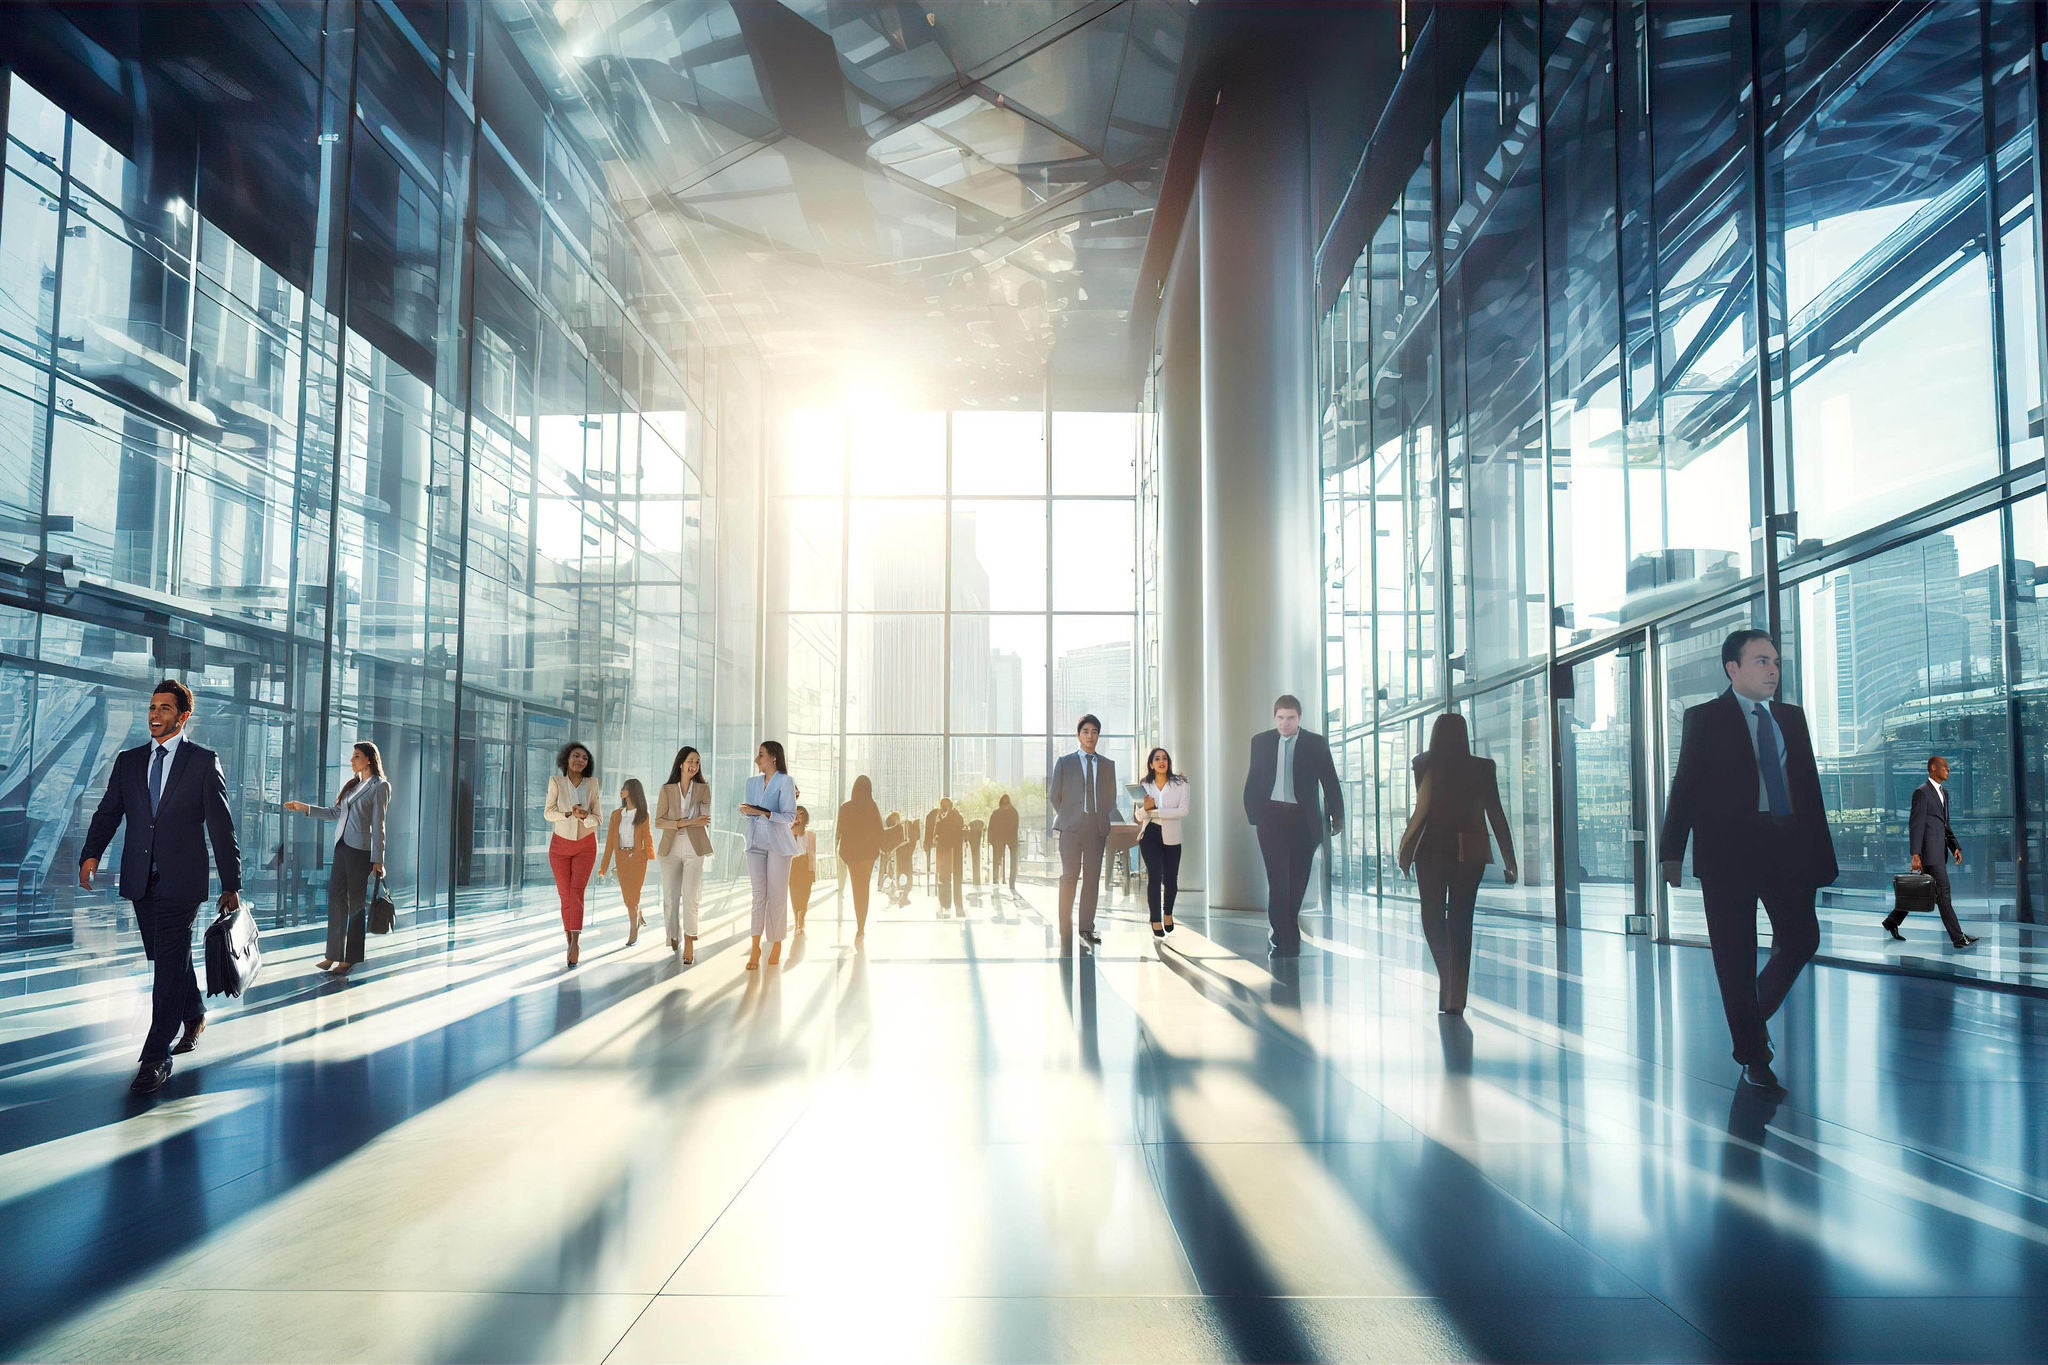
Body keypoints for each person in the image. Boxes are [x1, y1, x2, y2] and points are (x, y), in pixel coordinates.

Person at [1659, 630, 1835, 1092]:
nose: (1773, 669)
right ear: (1732, 670)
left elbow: (1809, 791)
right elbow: (1686, 784)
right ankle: (1752, 1055)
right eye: (1760, 661)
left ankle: (1749, 1014)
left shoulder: (1791, 719)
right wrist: (1671, 850)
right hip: (1728, 853)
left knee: (1801, 937)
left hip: (1787, 846)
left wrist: (1822, 856)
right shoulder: (1705, 718)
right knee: (1733, 957)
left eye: (1774, 661)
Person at [79, 679, 242, 1093]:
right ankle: (194, 1011)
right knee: (168, 956)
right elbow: (108, 811)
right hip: (139, 877)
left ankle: (156, 1056)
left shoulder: (203, 762)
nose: (154, 715)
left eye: (164, 708)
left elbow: (222, 826)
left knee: (168, 963)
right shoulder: (129, 761)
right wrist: (90, 854)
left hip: (182, 881)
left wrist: (231, 882)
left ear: (183, 716)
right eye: (152, 707)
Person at [1397, 714, 1517, 1014]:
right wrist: (1510, 860)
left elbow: (1421, 809)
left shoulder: (1423, 764)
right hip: (1470, 850)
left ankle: (1447, 975)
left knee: (1432, 915)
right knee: (1462, 921)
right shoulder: (1483, 767)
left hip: (1431, 850)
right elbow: (1496, 814)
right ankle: (1456, 992)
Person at [1242, 694, 1343, 956]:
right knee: (1278, 881)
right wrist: (1254, 813)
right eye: (1280, 718)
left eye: (1290, 718)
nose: (1285, 723)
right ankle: (1282, 935)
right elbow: (1253, 780)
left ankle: (1288, 928)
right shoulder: (1261, 742)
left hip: (1304, 822)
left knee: (1297, 881)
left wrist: (1337, 816)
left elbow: (1330, 781)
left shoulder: (1315, 743)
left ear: (1299, 718)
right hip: (1271, 819)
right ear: (1274, 717)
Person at [283, 740, 392, 976]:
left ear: (369, 759)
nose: (352, 760)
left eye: (356, 757)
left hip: (360, 852)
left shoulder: (380, 786)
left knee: (355, 904)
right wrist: (304, 808)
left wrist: (378, 859)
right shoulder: (353, 786)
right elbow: (335, 813)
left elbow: (378, 825)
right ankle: (333, 954)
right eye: (352, 756)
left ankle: (350, 958)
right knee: (335, 898)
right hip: (342, 848)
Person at [1888, 755, 1977, 948]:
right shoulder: (1921, 792)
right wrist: (1915, 854)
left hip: (1939, 851)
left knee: (1918, 891)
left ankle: (1891, 921)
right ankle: (1958, 938)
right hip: (1928, 854)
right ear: (1933, 768)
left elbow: (1945, 825)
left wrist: (1955, 847)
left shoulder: (1944, 793)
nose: (1948, 769)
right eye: (1944, 766)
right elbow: (1916, 824)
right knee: (1943, 894)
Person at [1050, 714, 1119, 949]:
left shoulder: (1108, 765)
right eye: (1086, 731)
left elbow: (1110, 798)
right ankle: (1064, 926)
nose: (1091, 736)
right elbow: (1054, 795)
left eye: (1095, 732)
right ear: (1078, 735)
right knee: (1069, 876)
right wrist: (1069, 816)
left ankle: (1086, 928)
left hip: (1096, 828)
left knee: (1091, 879)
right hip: (1070, 828)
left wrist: (1099, 818)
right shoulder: (1065, 762)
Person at [741, 740, 798, 969]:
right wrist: (749, 811)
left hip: (779, 846)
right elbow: (749, 812)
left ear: (773, 757)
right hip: (755, 842)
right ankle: (755, 947)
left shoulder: (786, 782)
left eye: (761, 755)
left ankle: (776, 942)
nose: (757, 759)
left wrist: (761, 812)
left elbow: (789, 816)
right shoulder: (752, 782)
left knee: (776, 896)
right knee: (758, 896)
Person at [545, 742, 602, 967]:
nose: (580, 760)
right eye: (576, 756)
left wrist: (585, 816)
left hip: (586, 844)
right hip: (560, 846)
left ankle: (575, 942)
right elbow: (548, 813)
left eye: (584, 758)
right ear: (566, 759)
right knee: (565, 895)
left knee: (576, 892)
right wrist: (569, 813)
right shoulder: (556, 782)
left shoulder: (592, 784)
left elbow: (598, 818)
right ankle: (568, 939)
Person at [654, 746, 712, 964]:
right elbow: (659, 821)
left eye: (697, 762)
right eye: (690, 760)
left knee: (691, 896)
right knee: (670, 896)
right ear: (680, 763)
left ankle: (689, 939)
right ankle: (673, 934)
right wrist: (686, 821)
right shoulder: (667, 789)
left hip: (695, 847)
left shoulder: (703, 788)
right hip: (670, 848)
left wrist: (688, 822)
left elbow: (704, 820)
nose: (694, 765)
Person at [1136, 747, 1190, 938]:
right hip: (1150, 834)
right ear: (1151, 764)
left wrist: (1156, 810)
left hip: (1172, 835)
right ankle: (1155, 919)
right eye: (1157, 758)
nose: (1161, 761)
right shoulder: (1144, 784)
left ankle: (1168, 913)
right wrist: (1146, 809)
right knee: (1154, 876)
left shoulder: (1180, 783)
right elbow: (1138, 815)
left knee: (1171, 879)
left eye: (1164, 758)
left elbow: (1183, 811)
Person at [598, 778, 653, 947]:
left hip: (638, 858)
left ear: (632, 791)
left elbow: (647, 837)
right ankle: (638, 913)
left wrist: (651, 857)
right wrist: (603, 867)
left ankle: (633, 930)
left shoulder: (643, 814)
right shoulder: (616, 815)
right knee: (627, 895)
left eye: (625, 788)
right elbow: (609, 843)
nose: (621, 790)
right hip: (621, 858)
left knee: (633, 895)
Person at [836, 776, 884, 939]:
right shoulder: (872, 807)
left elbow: (840, 831)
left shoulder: (845, 808)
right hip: (868, 854)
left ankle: (859, 925)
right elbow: (879, 831)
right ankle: (861, 925)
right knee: (864, 888)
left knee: (856, 888)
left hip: (852, 854)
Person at [788, 805, 818, 934]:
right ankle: (797, 922)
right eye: (795, 814)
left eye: (801, 814)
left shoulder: (810, 834)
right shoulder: (787, 832)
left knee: (805, 896)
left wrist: (812, 871)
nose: (798, 817)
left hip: (805, 866)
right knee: (794, 896)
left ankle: (802, 918)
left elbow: (812, 853)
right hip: (792, 866)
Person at [934, 798, 966, 916]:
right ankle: (958, 907)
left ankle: (945, 905)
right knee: (956, 880)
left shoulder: (941, 819)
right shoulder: (958, 817)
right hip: (955, 853)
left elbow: (936, 835)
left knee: (944, 879)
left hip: (945, 852)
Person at [989, 794, 1019, 891]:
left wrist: (991, 840)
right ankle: (1009, 882)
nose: (1006, 806)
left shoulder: (996, 813)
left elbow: (991, 827)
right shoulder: (1014, 812)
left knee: (998, 861)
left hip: (1001, 838)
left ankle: (997, 880)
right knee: (1012, 861)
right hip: (1007, 839)